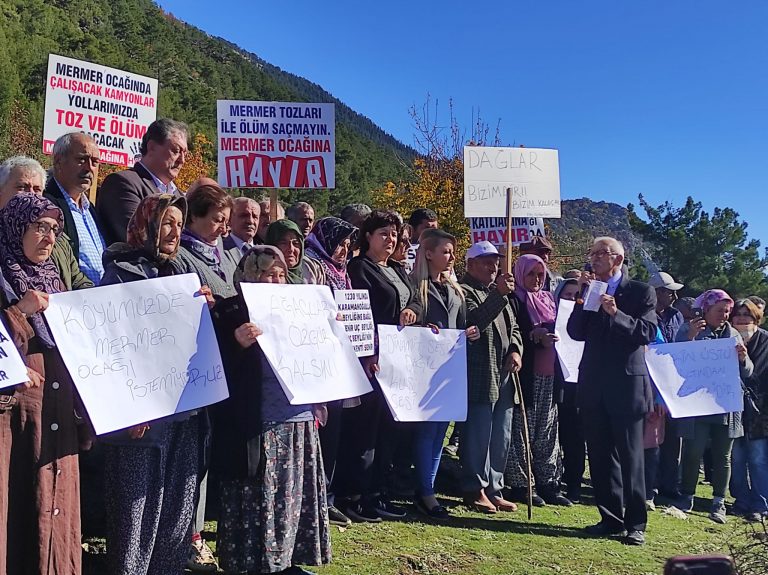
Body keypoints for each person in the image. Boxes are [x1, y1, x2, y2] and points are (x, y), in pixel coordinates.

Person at [99, 193, 209, 575]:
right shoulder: (119, 274)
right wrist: (133, 407)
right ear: (146, 224)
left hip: (185, 413)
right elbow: (114, 349)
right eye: (166, 222)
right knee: (135, 516)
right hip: (141, 420)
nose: (174, 232)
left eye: (180, 224)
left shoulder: (182, 275)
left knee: (176, 510)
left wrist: (203, 311)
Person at [211, 245, 331, 574]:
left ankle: (287, 559)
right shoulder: (230, 312)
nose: (275, 281)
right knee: (259, 494)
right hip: (259, 423)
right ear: (249, 275)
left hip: (297, 418)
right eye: (267, 274)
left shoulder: (300, 310)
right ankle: (258, 563)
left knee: (292, 494)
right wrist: (236, 342)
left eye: (280, 274)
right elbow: (213, 368)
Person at [0, 193, 86, 573]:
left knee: (56, 522)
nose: (49, 237)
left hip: (58, 427)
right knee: (17, 516)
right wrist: (20, 312)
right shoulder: (3, 278)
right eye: (39, 227)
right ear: (16, 228)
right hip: (16, 427)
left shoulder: (57, 286)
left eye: (54, 229)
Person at [567, 236, 657, 546]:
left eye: (599, 254)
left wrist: (615, 314)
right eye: (591, 253)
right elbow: (575, 333)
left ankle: (636, 524)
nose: (593, 259)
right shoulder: (591, 289)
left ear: (617, 259)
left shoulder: (640, 291)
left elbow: (645, 333)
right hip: (593, 385)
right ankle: (610, 518)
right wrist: (583, 298)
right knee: (601, 456)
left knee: (631, 458)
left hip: (626, 386)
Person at [334, 209, 420, 522]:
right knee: (364, 430)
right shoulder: (360, 268)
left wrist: (411, 310)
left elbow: (415, 299)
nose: (390, 239)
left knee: (389, 429)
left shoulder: (398, 270)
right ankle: (353, 495)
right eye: (383, 233)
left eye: (394, 235)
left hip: (398, 360)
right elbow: (358, 313)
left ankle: (377, 492)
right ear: (368, 236)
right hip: (369, 360)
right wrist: (369, 350)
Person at [408, 229, 479, 519]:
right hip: (425, 368)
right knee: (427, 431)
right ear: (428, 254)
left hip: (450, 367)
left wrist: (468, 332)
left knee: (440, 432)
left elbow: (459, 323)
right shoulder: (417, 286)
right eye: (446, 251)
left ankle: (429, 488)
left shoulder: (454, 288)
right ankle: (424, 492)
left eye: (453, 252)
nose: (451, 257)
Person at [675, 289, 753, 524]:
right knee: (693, 452)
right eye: (720, 310)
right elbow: (675, 361)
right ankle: (687, 496)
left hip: (726, 406)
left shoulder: (733, 335)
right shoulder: (689, 329)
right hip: (698, 405)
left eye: (727, 311)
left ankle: (719, 502)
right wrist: (690, 337)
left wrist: (742, 358)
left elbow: (748, 371)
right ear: (705, 310)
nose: (725, 315)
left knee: (723, 456)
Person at [459, 241, 523, 514]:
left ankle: (495, 487)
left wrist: (517, 350)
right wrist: (498, 294)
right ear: (470, 264)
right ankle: (475, 487)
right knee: (478, 433)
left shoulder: (501, 294)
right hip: (481, 371)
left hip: (505, 373)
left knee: (501, 433)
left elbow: (515, 327)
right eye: (485, 261)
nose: (493, 266)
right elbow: (474, 320)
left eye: (495, 261)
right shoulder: (465, 291)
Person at [303, 216, 358, 527]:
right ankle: (316, 499)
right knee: (321, 433)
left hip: (340, 361)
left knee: (334, 434)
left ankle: (328, 497)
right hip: (318, 359)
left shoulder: (342, 272)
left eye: (348, 245)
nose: (343, 249)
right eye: (339, 243)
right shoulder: (314, 265)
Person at [505, 254, 571, 507]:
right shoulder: (514, 300)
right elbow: (513, 332)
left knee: (548, 429)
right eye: (530, 274)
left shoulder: (549, 301)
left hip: (550, 375)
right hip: (527, 373)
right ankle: (522, 484)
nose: (536, 279)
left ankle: (549, 482)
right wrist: (534, 335)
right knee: (523, 429)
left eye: (540, 274)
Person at [0, 155, 92, 291]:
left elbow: (79, 282)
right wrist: (21, 310)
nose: (31, 194)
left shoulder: (58, 242)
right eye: (22, 187)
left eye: (37, 189)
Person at [98, 118, 189, 244]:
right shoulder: (122, 183)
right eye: (176, 151)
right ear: (151, 147)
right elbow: (138, 239)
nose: (182, 160)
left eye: (185, 154)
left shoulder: (179, 197)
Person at [43, 133, 106, 285]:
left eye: (94, 161)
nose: (89, 167)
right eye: (81, 159)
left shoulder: (90, 209)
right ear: (58, 161)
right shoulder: (46, 205)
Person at [648, 271, 686, 501]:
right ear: (657, 292)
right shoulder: (644, 315)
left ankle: (669, 485)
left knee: (673, 437)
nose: (673, 296)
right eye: (669, 291)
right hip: (651, 384)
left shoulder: (676, 316)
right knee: (652, 438)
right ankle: (649, 485)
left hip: (674, 384)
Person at [729, 299, 768, 520]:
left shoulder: (766, 341)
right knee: (736, 457)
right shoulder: (727, 340)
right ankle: (741, 500)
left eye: (747, 315)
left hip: (760, 411)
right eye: (738, 314)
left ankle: (761, 505)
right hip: (734, 408)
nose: (742, 318)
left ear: (756, 318)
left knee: (758, 458)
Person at [176, 183, 239, 300]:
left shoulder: (222, 252)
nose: (224, 229)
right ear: (194, 215)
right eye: (218, 220)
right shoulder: (178, 258)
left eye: (227, 223)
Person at [554, 278, 586, 502]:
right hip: (555, 380)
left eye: (576, 295)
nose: (571, 299)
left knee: (575, 436)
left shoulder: (586, 318)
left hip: (579, 383)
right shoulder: (550, 316)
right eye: (567, 294)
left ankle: (574, 484)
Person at [265, 219, 326, 285]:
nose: (291, 249)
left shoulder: (311, 269)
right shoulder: (261, 273)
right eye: (283, 243)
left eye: (295, 243)